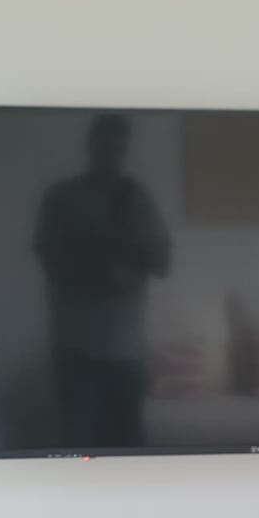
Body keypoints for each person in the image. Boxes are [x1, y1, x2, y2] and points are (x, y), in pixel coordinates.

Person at [35, 114, 170, 447]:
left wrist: (134, 232)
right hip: (75, 348)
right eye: (103, 149)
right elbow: (50, 262)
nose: (111, 159)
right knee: (79, 450)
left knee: (129, 450)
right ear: (90, 146)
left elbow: (163, 266)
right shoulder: (61, 198)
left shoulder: (139, 199)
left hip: (127, 351)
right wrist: (101, 275)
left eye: (118, 151)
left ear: (126, 152)